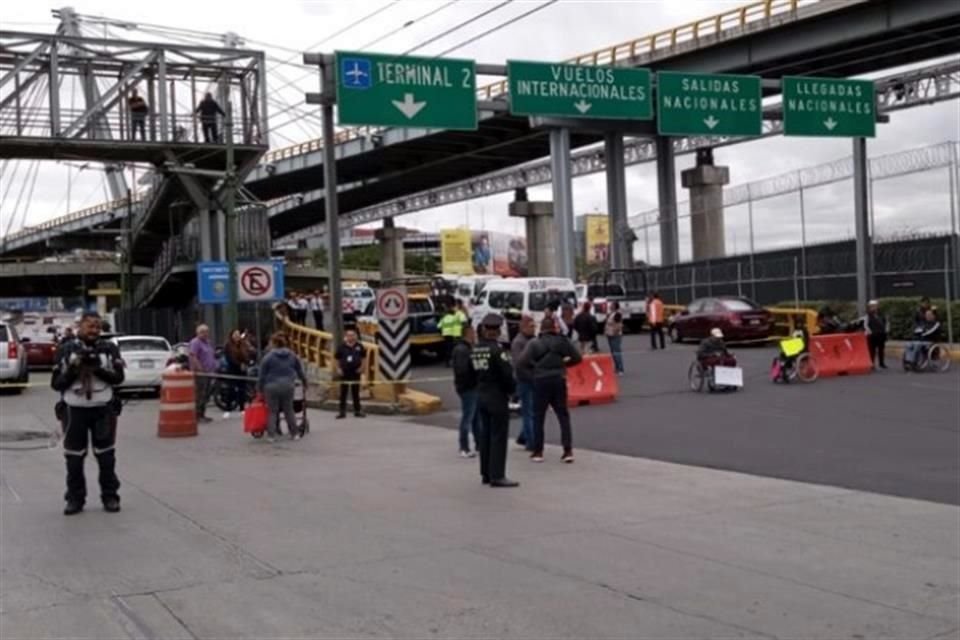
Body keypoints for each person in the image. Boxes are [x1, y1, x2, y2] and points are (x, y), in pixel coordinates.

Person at [51, 312, 125, 515]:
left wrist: (97, 369)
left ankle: (110, 497)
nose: (94, 331)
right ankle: (75, 499)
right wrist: (75, 368)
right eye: (90, 326)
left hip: (103, 410)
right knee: (74, 458)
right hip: (74, 411)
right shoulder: (66, 349)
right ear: (80, 326)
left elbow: (119, 378)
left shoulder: (109, 348)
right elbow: (56, 384)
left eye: (98, 327)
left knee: (106, 457)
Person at [520, 316, 582, 464]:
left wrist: (532, 375)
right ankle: (567, 451)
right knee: (563, 415)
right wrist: (563, 365)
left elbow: (522, 363)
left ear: (542, 328)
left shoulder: (534, 343)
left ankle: (538, 451)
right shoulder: (562, 341)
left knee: (538, 416)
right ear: (554, 328)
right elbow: (577, 358)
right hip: (559, 379)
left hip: (541, 381)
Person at [472, 314, 519, 487]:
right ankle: (497, 475)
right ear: (497, 331)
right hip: (496, 396)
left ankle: (486, 472)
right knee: (499, 436)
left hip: (481, 394)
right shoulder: (498, 351)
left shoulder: (476, 349)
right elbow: (507, 375)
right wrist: (512, 391)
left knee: (485, 435)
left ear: (484, 329)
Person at [257, 332, 307, 443]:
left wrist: (259, 389)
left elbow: (262, 375)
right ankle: (294, 433)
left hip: (271, 386)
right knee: (289, 410)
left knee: (272, 412)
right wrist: (304, 382)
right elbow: (299, 370)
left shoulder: (268, 357)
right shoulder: (292, 355)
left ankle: (271, 435)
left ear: (274, 343)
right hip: (288, 385)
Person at [451, 324, 480, 458]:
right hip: (468, 387)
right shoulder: (463, 350)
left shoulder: (465, 348)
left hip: (470, 386)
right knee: (468, 417)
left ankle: (479, 444)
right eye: (473, 333)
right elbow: (462, 370)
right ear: (467, 334)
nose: (475, 335)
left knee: (475, 417)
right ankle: (464, 447)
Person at [511, 314, 536, 450]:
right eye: (531, 326)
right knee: (528, 411)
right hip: (524, 381)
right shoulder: (518, 342)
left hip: (534, 379)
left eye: (534, 326)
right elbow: (518, 364)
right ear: (523, 327)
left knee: (531, 411)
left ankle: (523, 436)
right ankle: (531, 442)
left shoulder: (534, 340)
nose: (533, 329)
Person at [189, 324, 218, 423]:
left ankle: (202, 414)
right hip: (201, 374)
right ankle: (197, 415)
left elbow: (211, 356)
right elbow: (193, 356)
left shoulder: (208, 343)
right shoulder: (195, 342)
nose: (205, 334)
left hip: (209, 373)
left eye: (206, 332)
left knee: (206, 395)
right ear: (198, 333)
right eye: (202, 332)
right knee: (200, 394)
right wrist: (199, 368)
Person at [335, 329, 366, 418]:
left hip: (355, 371)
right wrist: (338, 369)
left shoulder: (359, 346)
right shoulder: (341, 347)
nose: (351, 337)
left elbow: (364, 358)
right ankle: (342, 412)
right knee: (343, 392)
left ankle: (357, 411)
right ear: (346, 337)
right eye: (349, 335)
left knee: (355, 392)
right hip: (344, 372)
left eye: (353, 335)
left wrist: (362, 368)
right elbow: (337, 358)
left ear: (355, 336)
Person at [224, 329, 252, 416]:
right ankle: (228, 408)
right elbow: (229, 358)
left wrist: (246, 362)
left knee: (242, 389)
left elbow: (247, 355)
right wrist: (239, 364)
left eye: (238, 334)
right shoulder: (228, 345)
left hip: (242, 370)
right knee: (231, 389)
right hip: (232, 369)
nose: (237, 336)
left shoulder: (243, 345)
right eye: (235, 334)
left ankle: (242, 408)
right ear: (231, 336)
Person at [863, 300, 889, 369]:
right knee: (872, 350)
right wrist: (870, 332)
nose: (874, 308)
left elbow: (886, 323)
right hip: (872, 335)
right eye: (872, 306)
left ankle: (881, 363)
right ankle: (872, 363)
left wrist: (886, 331)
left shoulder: (882, 315)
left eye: (875, 306)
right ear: (869, 307)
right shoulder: (868, 316)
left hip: (881, 334)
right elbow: (865, 325)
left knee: (881, 349)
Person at [605, 301, 625, 375]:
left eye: (612, 305)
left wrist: (615, 332)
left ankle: (621, 369)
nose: (610, 306)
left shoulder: (618, 314)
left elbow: (619, 325)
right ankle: (616, 368)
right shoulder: (611, 313)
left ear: (615, 306)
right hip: (610, 334)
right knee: (613, 352)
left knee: (616, 352)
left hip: (615, 335)